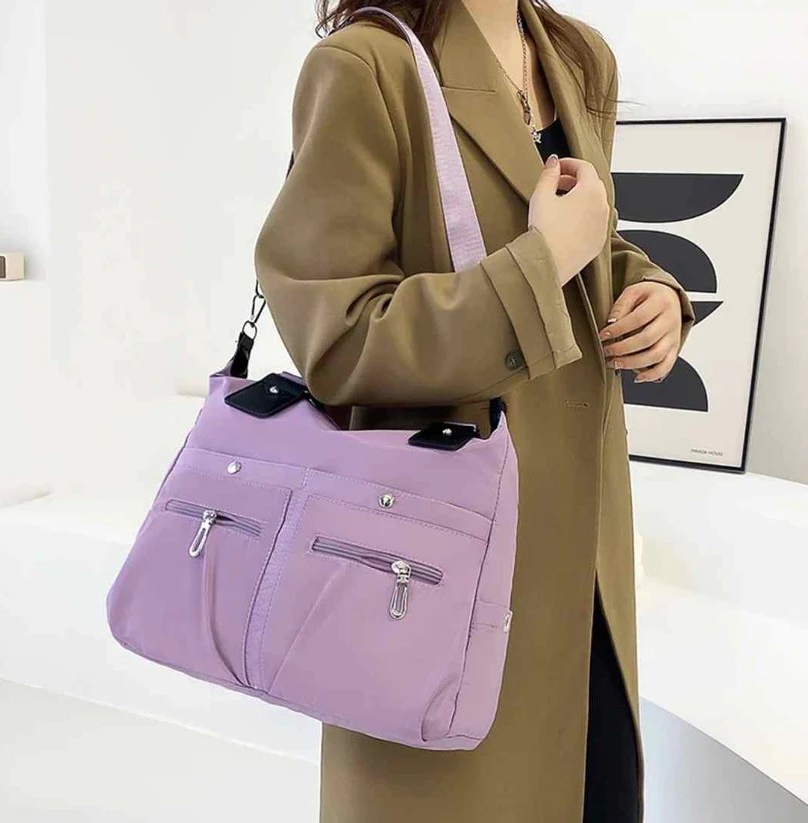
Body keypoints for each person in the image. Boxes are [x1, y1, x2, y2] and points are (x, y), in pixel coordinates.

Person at [254, 1, 697, 821]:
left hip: (584, 570)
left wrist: (652, 291)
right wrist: (541, 263)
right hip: (434, 571)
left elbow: (587, 240)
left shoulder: (576, 58)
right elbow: (339, 339)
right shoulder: (366, 67)